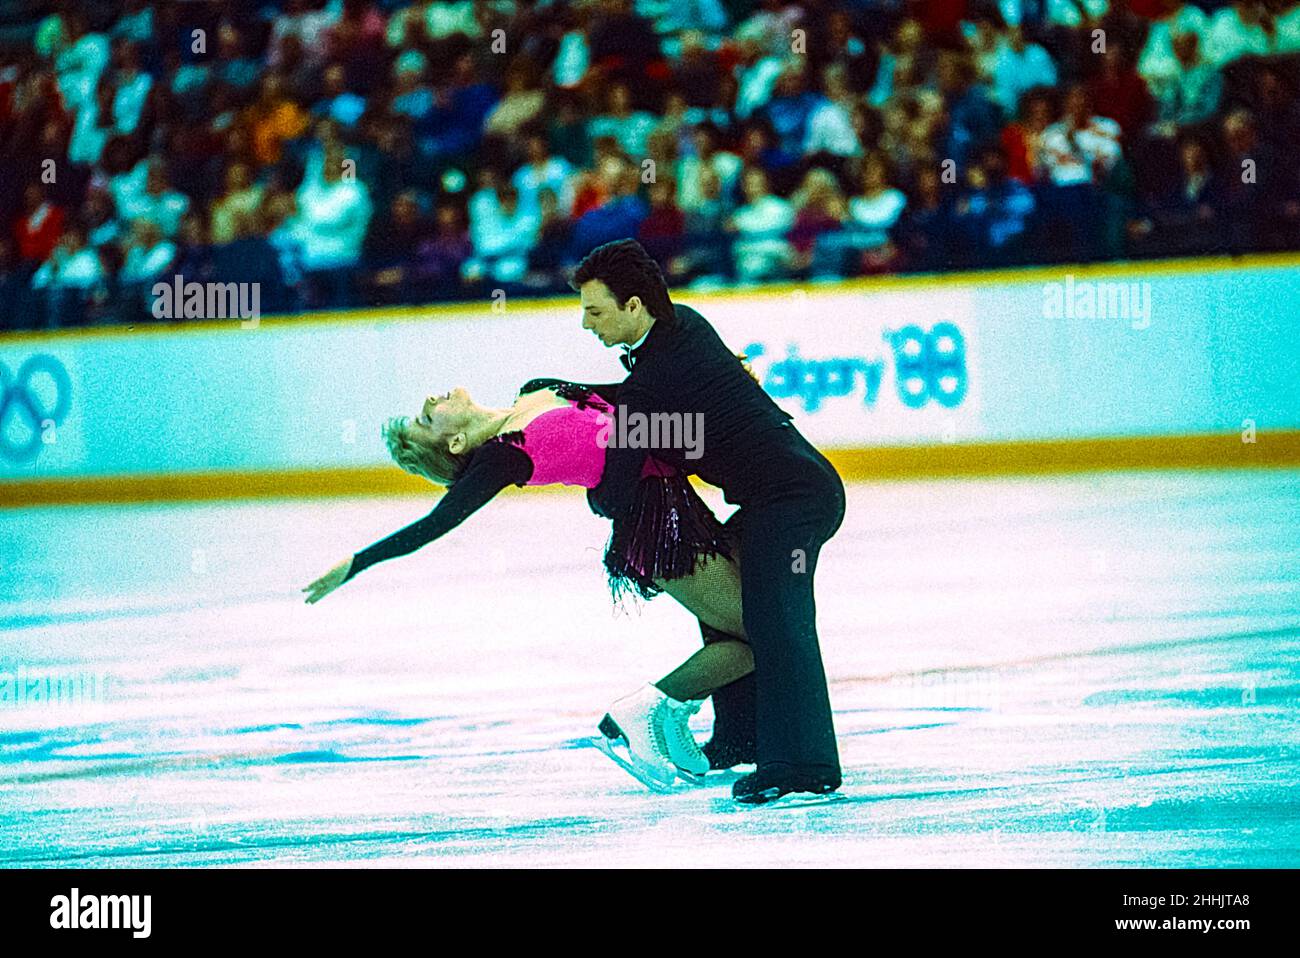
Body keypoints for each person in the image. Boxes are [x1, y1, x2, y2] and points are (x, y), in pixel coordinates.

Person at [301, 377, 761, 792]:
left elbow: (638, 392)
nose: (429, 398)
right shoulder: (504, 455)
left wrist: (720, 377)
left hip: (685, 509)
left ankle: (696, 722)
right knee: (763, 635)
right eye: (427, 419)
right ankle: (647, 710)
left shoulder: (537, 389)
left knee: (748, 628)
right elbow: (439, 521)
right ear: (458, 442)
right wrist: (358, 562)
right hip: (658, 529)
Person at [574, 238, 847, 805]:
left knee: (777, 624)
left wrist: (589, 487)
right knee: (728, 607)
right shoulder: (683, 329)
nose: (585, 324)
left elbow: (616, 486)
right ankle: (742, 737)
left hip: (793, 500)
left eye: (595, 310)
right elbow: (634, 401)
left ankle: (803, 764)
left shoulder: (653, 381)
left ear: (633, 306)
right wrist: (567, 394)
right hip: (782, 493)